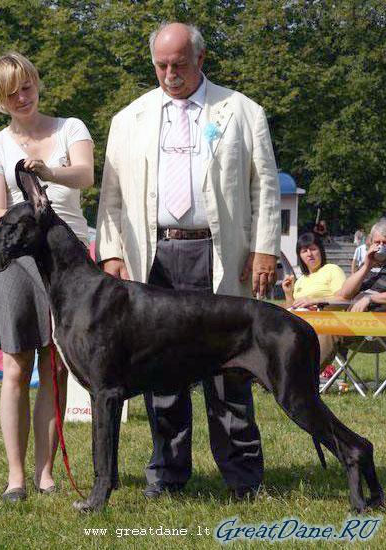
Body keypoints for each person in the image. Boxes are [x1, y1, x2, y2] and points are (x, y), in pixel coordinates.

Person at [96, 23, 280, 500]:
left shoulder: (242, 111)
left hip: (222, 255)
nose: (170, 74)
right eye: (161, 65)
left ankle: (243, 479)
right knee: (160, 375)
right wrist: (112, 251)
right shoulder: (128, 119)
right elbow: (111, 197)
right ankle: (168, 475)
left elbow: (264, 185)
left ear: (201, 59)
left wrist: (263, 248)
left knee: (232, 371)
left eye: (179, 64)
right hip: (154, 255)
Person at [0, 52, 94, 502]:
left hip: (70, 264)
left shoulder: (71, 129)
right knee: (16, 367)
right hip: (18, 264)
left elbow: (85, 175)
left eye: (26, 87)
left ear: (37, 83)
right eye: (10, 93)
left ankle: (46, 473)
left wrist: (48, 172)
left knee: (57, 366)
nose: (21, 98)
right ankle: (16, 477)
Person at [282, 232, 346, 366]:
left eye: (313, 249)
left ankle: (301, 378)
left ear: (321, 251)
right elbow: (291, 308)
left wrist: (315, 300)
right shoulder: (300, 281)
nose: (309, 254)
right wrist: (288, 294)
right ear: (300, 256)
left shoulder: (332, 270)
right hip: (298, 326)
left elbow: (343, 299)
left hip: (324, 324)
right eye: (304, 251)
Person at [338, 219, 386, 312]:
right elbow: (345, 293)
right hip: (356, 321)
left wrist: (370, 298)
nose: (381, 246)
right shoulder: (368, 264)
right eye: (377, 242)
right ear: (371, 242)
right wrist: (366, 267)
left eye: (385, 243)